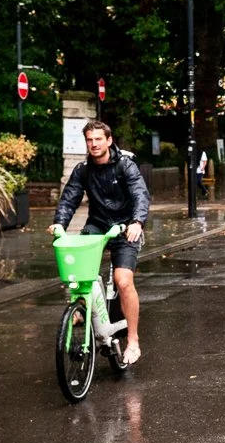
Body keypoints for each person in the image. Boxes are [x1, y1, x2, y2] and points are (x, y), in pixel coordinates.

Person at [49, 120, 151, 364]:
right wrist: (59, 224)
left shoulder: (125, 165)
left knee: (123, 281)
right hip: (97, 226)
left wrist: (137, 222)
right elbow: (69, 199)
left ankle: (133, 340)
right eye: (89, 140)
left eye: (98, 139)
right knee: (78, 271)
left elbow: (140, 194)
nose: (93, 144)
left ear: (109, 140)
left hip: (126, 227)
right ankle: (81, 307)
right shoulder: (83, 169)